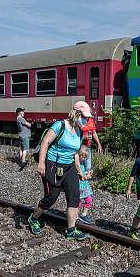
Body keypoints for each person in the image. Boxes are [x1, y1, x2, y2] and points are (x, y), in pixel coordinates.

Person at [27, 101, 90, 241]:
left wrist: (80, 171)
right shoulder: (60, 125)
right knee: (51, 198)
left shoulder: (79, 131)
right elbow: (45, 142)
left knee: (74, 197)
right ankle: (33, 218)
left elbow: (75, 153)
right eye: (85, 116)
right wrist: (42, 163)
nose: (87, 119)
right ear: (77, 113)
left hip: (69, 167)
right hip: (53, 166)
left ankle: (71, 230)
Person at [76, 110, 102, 175]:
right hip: (79, 147)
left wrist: (98, 144)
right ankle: (79, 183)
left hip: (87, 147)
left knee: (88, 168)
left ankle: (86, 183)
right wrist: (84, 137)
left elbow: (93, 132)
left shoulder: (91, 119)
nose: (87, 116)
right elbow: (74, 134)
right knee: (79, 167)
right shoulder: (79, 120)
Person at [78, 147, 94, 224]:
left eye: (85, 157)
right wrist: (86, 176)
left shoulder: (82, 164)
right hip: (79, 186)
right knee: (79, 203)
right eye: (83, 157)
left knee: (89, 200)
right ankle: (75, 215)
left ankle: (84, 214)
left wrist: (88, 173)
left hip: (85, 186)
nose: (84, 159)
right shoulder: (76, 165)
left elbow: (84, 175)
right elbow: (81, 177)